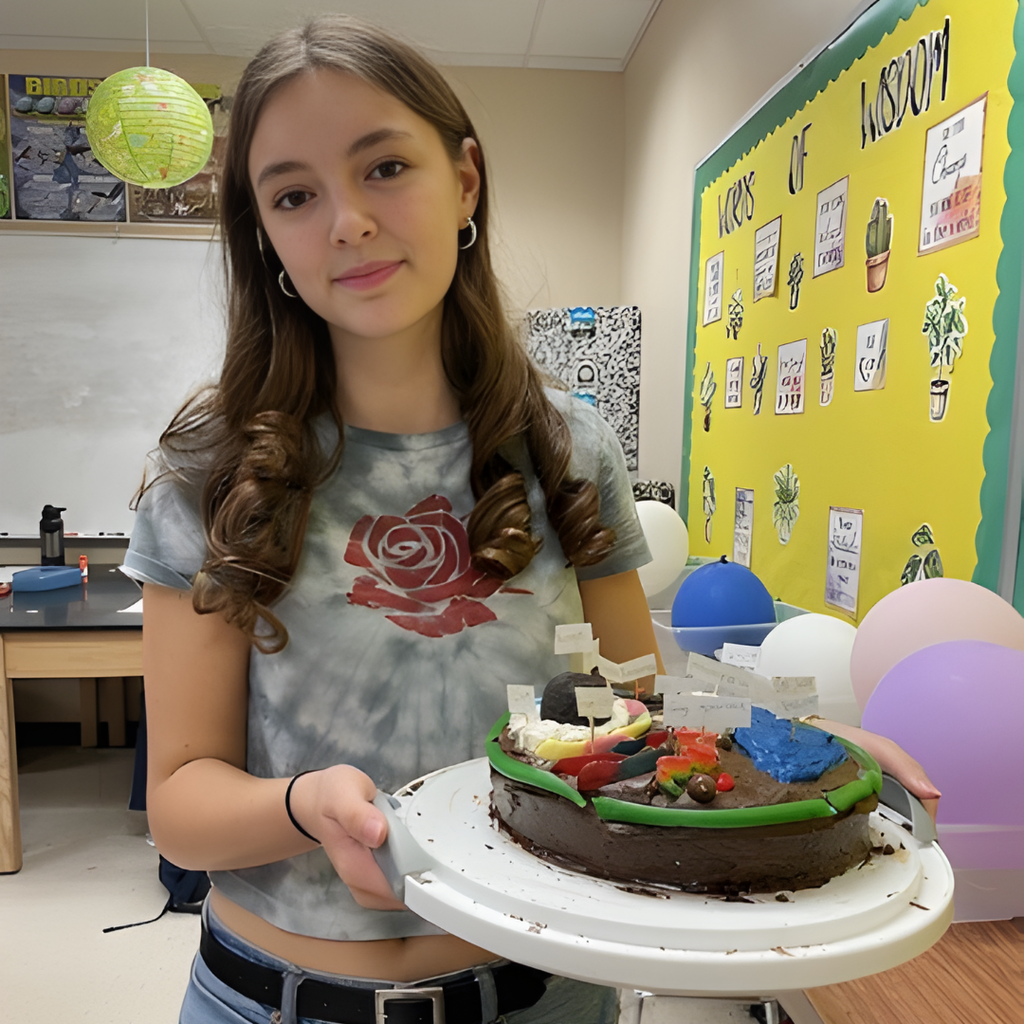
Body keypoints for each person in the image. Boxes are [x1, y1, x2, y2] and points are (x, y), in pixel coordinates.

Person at [124, 15, 940, 1024]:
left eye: (383, 167)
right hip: (275, 1003)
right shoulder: (210, 471)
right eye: (295, 194)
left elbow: (637, 701)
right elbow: (180, 806)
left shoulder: (568, 445)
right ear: (265, 235)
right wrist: (302, 804)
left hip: (545, 998)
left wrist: (795, 732)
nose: (347, 220)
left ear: (465, 180)